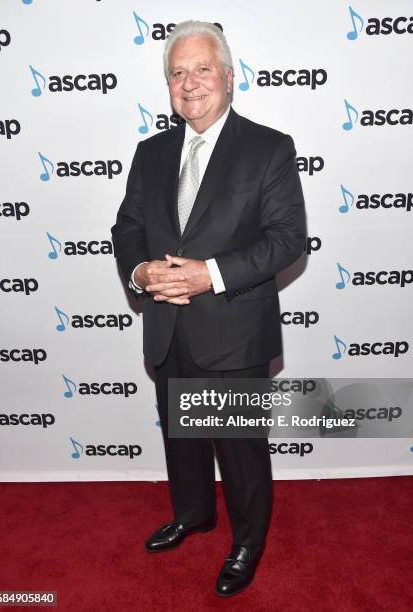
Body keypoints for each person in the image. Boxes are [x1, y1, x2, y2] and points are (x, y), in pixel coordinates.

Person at [111, 20, 306, 597]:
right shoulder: (151, 152)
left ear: (228, 76)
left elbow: (286, 238)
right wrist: (142, 273)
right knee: (181, 436)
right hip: (168, 327)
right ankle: (194, 513)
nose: (189, 82)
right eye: (177, 73)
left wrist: (209, 275)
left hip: (233, 329)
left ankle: (248, 541)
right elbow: (127, 228)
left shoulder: (269, 147)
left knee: (240, 451)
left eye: (201, 69)